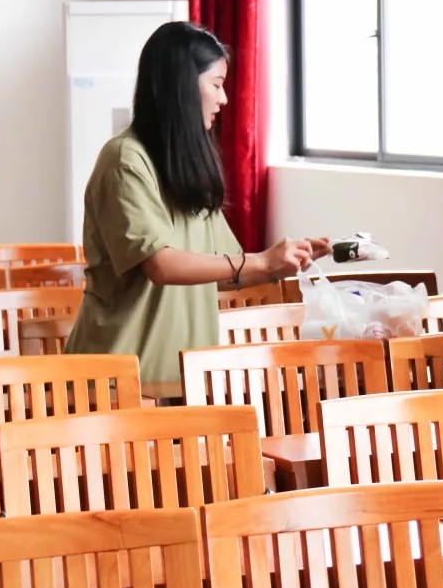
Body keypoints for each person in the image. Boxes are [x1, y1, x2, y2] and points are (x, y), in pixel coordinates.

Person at [65, 21, 329, 383]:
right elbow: (161, 265)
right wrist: (261, 260)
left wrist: (282, 264)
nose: (224, 99)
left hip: (185, 380)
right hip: (117, 381)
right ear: (182, 86)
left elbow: (225, 271)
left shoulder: (185, 169)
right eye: (216, 85)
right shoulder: (125, 160)